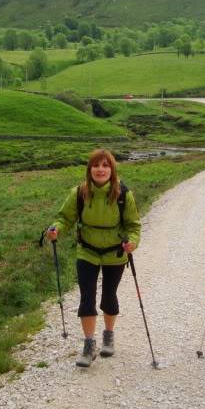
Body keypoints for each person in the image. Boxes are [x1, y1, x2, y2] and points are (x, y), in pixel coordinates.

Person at [46, 149, 141, 367]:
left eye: (105, 165)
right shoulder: (79, 193)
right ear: (90, 169)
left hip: (114, 253)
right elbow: (65, 218)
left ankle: (108, 335)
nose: (100, 169)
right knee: (86, 297)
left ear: (112, 170)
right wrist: (56, 229)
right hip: (87, 251)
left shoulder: (123, 194)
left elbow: (134, 225)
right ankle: (89, 345)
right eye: (96, 165)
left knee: (109, 296)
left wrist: (133, 242)